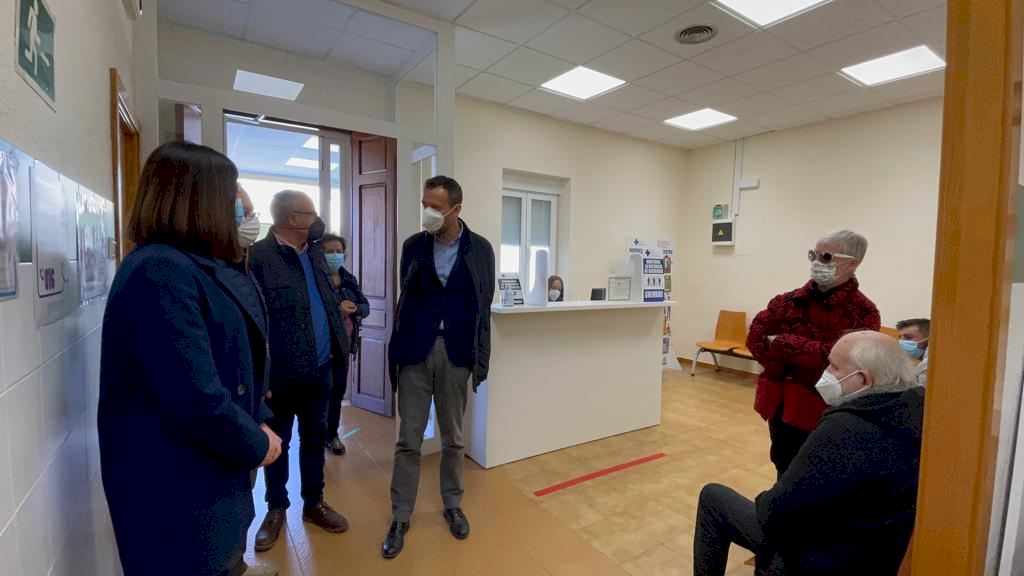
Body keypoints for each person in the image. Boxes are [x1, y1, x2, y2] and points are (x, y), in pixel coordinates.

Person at [99, 142, 281, 576]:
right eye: (233, 193)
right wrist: (257, 442)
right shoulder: (160, 271)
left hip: (206, 468)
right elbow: (194, 396)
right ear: (199, 199)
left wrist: (259, 415)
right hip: (175, 480)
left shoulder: (194, 266)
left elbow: (232, 356)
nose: (241, 206)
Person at [694, 331, 924, 576]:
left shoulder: (846, 427)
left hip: (825, 554)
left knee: (713, 497)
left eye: (834, 366)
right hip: (878, 548)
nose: (826, 372)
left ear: (863, 380)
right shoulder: (920, 408)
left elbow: (775, 512)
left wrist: (767, 500)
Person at [382, 175, 495, 559]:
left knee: (453, 438)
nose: (428, 212)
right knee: (408, 439)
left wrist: (481, 358)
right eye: (424, 204)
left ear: (456, 209)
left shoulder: (480, 249)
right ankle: (400, 515)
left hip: (457, 353)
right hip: (415, 352)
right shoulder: (413, 246)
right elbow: (406, 297)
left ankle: (452, 504)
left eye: (435, 206)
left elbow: (483, 305)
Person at [249, 191, 350, 551]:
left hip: (320, 370)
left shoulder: (317, 254)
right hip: (280, 377)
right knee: (278, 444)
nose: (317, 219)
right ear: (293, 219)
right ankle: (276, 508)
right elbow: (252, 322)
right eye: (311, 213)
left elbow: (330, 303)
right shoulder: (258, 257)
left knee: (314, 439)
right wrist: (260, 377)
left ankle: (314, 504)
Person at [747, 230, 881, 477]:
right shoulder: (787, 301)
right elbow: (756, 339)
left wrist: (783, 342)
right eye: (813, 255)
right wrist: (804, 353)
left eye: (826, 256)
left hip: (825, 406)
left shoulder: (863, 312)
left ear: (852, 263)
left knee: (817, 471)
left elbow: (841, 362)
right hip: (780, 400)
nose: (817, 262)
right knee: (783, 462)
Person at [321, 233, 370, 455]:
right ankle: (316, 437)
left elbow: (365, 306)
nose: (335, 256)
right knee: (320, 395)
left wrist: (355, 308)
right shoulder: (316, 279)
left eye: (339, 251)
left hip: (343, 347)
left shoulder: (349, 279)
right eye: (329, 252)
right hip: (321, 347)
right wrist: (336, 309)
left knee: (337, 392)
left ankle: (332, 435)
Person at [896, 318, 930, 386]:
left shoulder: (931, 364)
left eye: (908, 337)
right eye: (900, 337)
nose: (901, 341)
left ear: (928, 339)